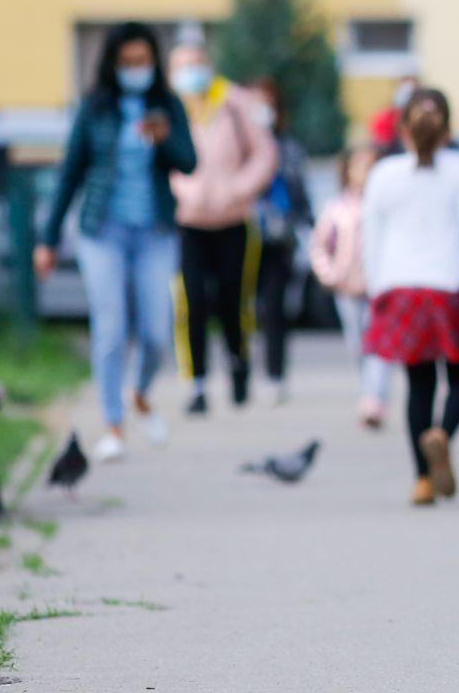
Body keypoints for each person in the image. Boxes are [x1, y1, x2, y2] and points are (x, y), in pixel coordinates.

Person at [36, 23, 196, 460]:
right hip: (102, 230)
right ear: (112, 64)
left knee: (156, 331)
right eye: (127, 62)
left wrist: (165, 140)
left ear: (154, 62)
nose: (135, 69)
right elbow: (70, 174)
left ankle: (139, 391)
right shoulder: (95, 108)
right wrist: (48, 240)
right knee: (111, 327)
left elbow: (189, 163)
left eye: (142, 61)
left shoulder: (168, 105)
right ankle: (113, 424)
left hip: (154, 231)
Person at [361, 89, 459, 507]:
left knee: (419, 385)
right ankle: (443, 433)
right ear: (448, 128)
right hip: (450, 286)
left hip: (401, 288)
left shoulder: (384, 173)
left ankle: (423, 480)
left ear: (402, 128)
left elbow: (371, 236)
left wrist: (377, 287)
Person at [166, 41, 278, 415]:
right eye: (182, 66)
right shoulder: (169, 107)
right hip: (188, 222)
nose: (190, 72)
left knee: (233, 301)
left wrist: (238, 189)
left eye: (196, 63)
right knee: (191, 302)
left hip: (234, 219)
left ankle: (238, 364)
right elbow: (160, 159)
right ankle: (196, 383)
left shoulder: (235, 102)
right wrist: (183, 190)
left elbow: (265, 153)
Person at [312, 145, 385, 428]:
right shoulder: (336, 208)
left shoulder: (382, 205)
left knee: (378, 344)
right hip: (347, 287)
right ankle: (368, 390)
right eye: (360, 167)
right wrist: (330, 275)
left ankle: (374, 399)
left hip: (378, 288)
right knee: (357, 344)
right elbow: (319, 246)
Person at [249, 77, 311, 406]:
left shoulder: (289, 149)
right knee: (241, 309)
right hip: (240, 235)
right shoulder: (238, 147)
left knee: (274, 309)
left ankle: (275, 374)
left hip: (278, 238)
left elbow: (301, 196)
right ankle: (240, 371)